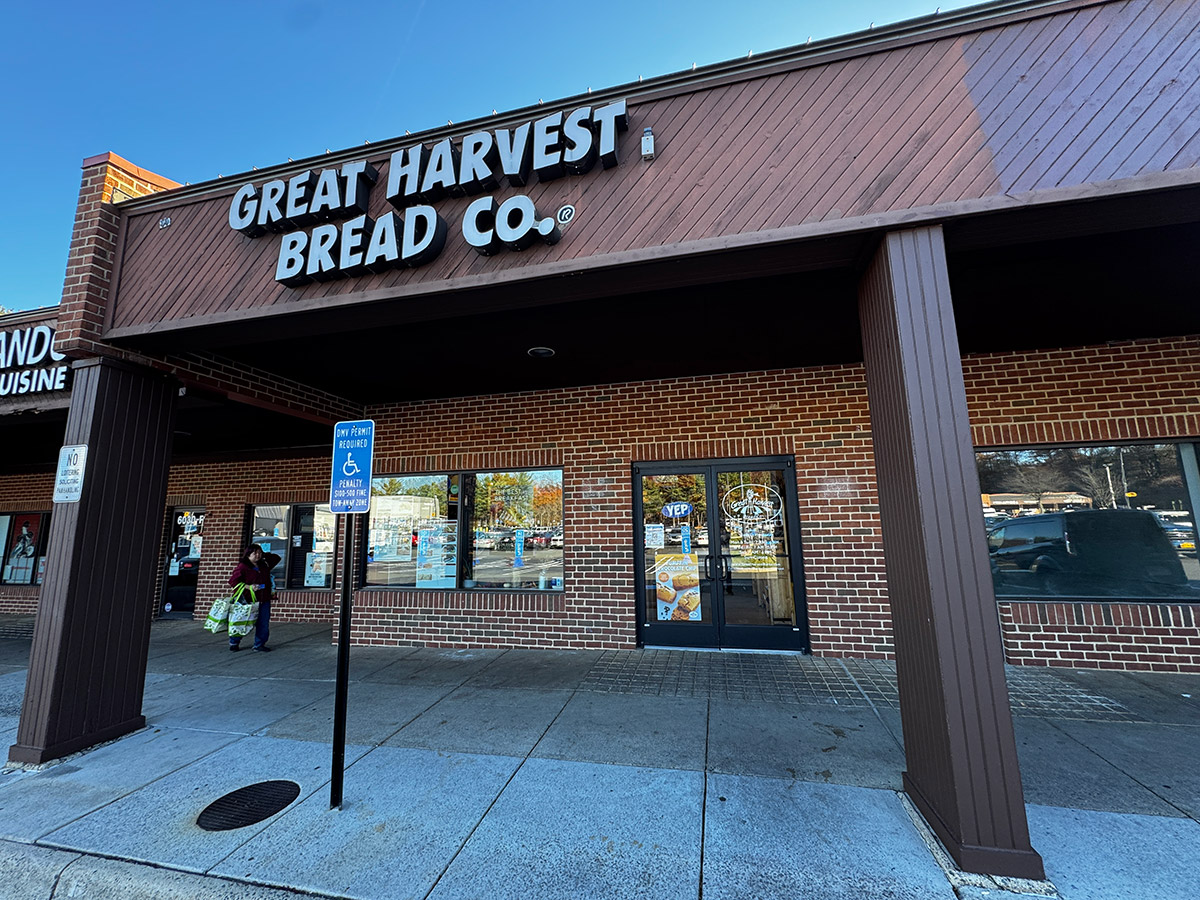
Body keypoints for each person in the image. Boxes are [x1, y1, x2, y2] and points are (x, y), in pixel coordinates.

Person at [227, 543, 280, 652]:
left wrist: (264, 555)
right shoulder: (243, 567)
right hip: (247, 600)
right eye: (255, 553)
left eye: (259, 553)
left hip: (263, 599)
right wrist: (248, 586)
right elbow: (233, 581)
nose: (257, 555)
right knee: (242, 622)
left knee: (263, 623)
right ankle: (234, 641)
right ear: (248, 554)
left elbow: (276, 558)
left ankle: (259, 644)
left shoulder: (264, 564)